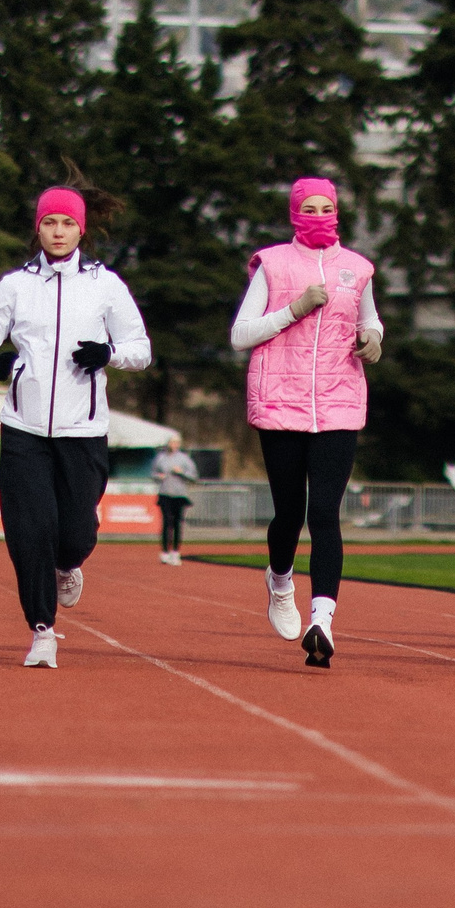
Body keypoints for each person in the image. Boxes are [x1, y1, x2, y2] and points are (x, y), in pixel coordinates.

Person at [0, 185, 152, 669]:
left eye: (68, 223)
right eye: (50, 222)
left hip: (83, 429)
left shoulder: (105, 284)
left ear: (81, 228)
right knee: (30, 532)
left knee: (76, 532)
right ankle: (42, 630)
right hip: (23, 428)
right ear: (38, 227)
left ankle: (70, 565)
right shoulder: (14, 286)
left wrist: (108, 354)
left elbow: (141, 348)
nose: (59, 231)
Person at [232, 178, 383, 669]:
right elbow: (240, 334)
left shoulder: (357, 269)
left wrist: (373, 339)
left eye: (327, 208)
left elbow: (371, 320)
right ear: (295, 213)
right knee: (289, 514)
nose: (319, 216)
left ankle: (323, 620)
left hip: (338, 404)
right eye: (309, 209)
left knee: (325, 513)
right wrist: (294, 310)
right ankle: (280, 581)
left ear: (338, 212)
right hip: (280, 402)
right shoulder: (273, 264)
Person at [151, 437, 199, 566]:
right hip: (165, 493)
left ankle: (175, 552)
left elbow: (194, 476)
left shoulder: (184, 459)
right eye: (171, 442)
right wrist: (158, 476)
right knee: (167, 522)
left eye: (176, 442)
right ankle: (165, 551)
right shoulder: (161, 458)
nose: (174, 445)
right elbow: (153, 473)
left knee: (178, 523)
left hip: (179, 494)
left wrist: (181, 472)